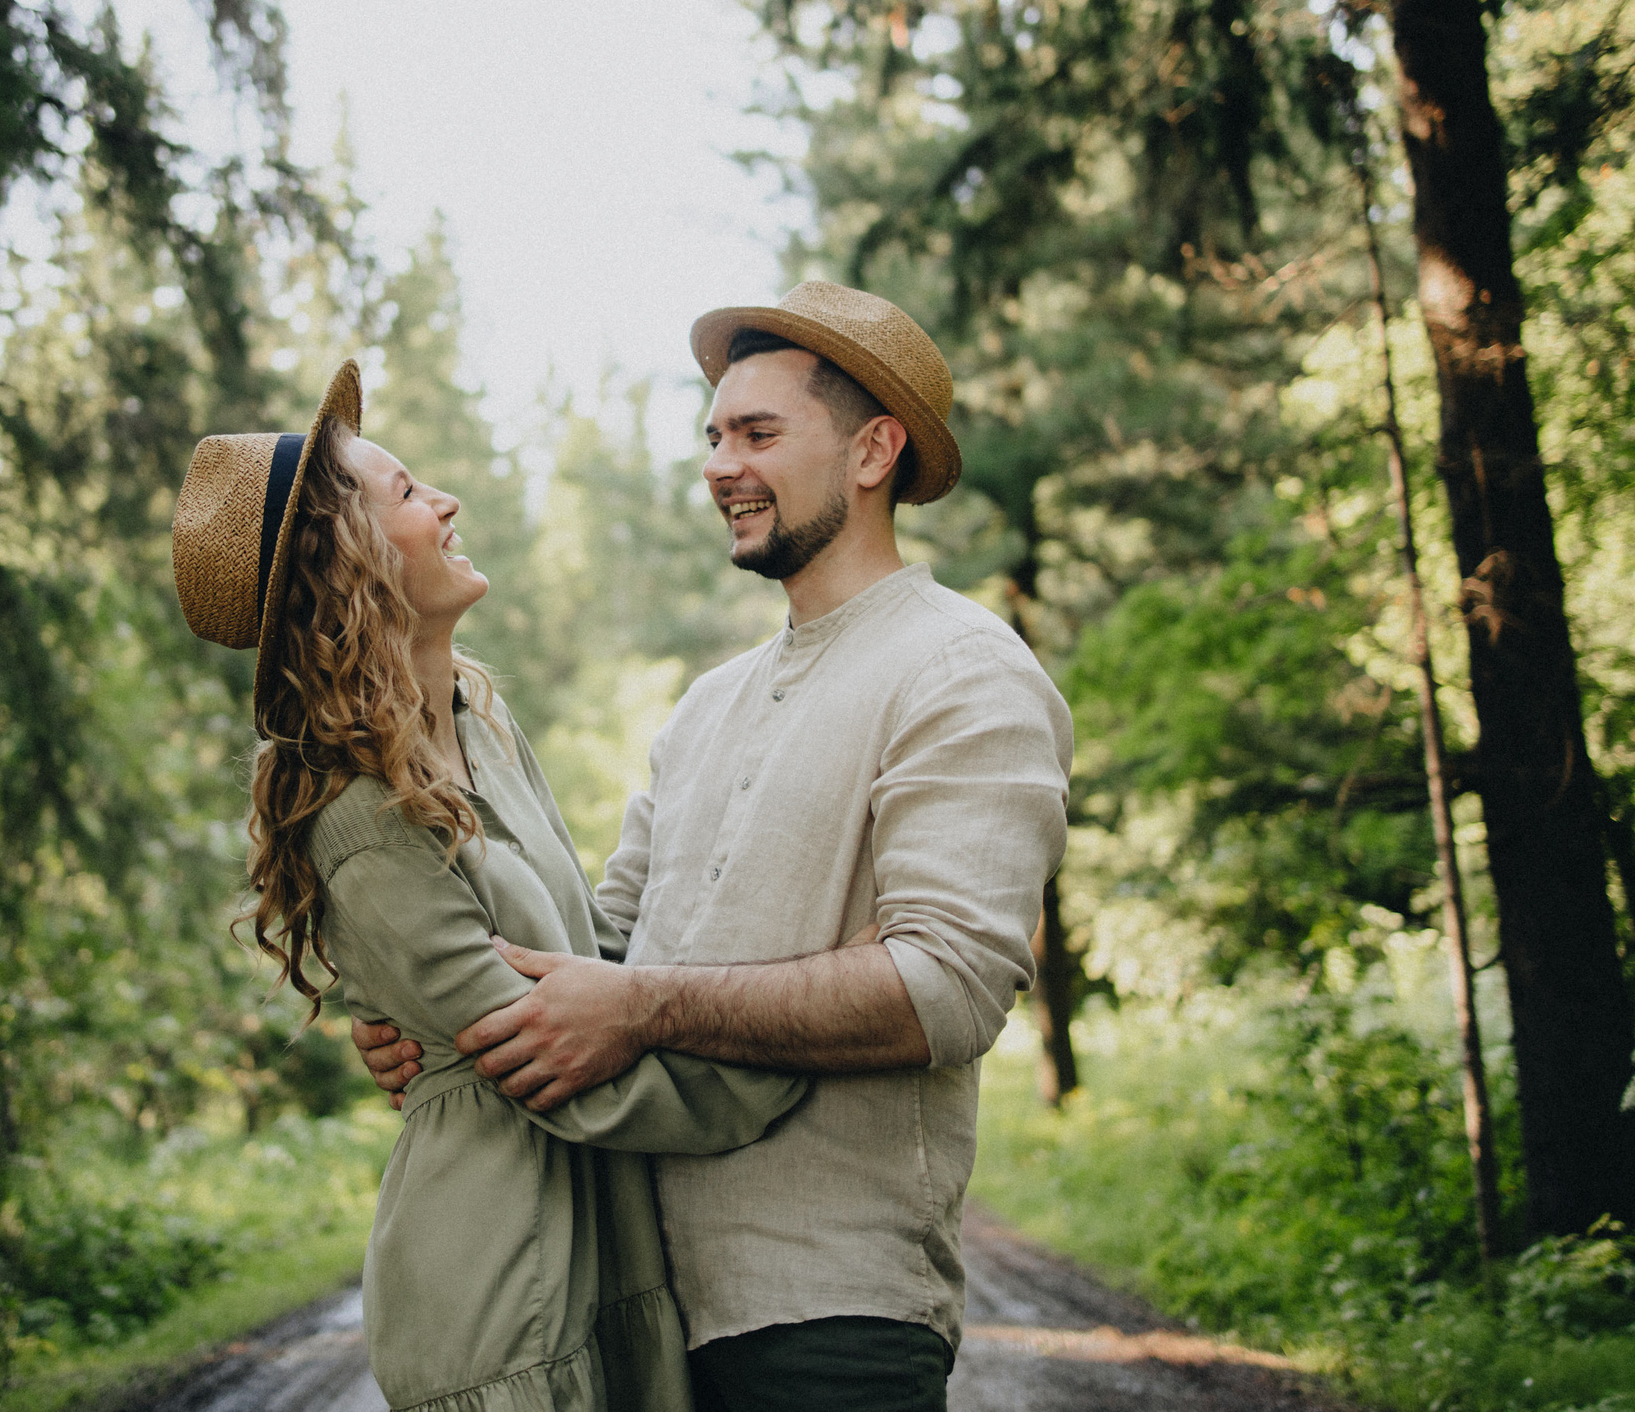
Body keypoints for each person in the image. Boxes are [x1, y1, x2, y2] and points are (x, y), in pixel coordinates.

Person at [355, 282, 1073, 1412]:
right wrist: (433, 1012)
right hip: (635, 1314)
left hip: (827, 1320)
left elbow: (948, 989)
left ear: (873, 450)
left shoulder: (961, 669)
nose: (718, 464)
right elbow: (599, 947)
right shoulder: (704, 708)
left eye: (759, 433)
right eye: (712, 435)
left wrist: (647, 1009)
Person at [169, 359, 808, 1412]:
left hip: (605, 1260)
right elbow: (559, 1066)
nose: (445, 501)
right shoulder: (358, 814)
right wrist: (787, 1057)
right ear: (351, 561)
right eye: (408, 493)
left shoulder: (478, 726)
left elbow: (590, 957)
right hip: (503, 1298)